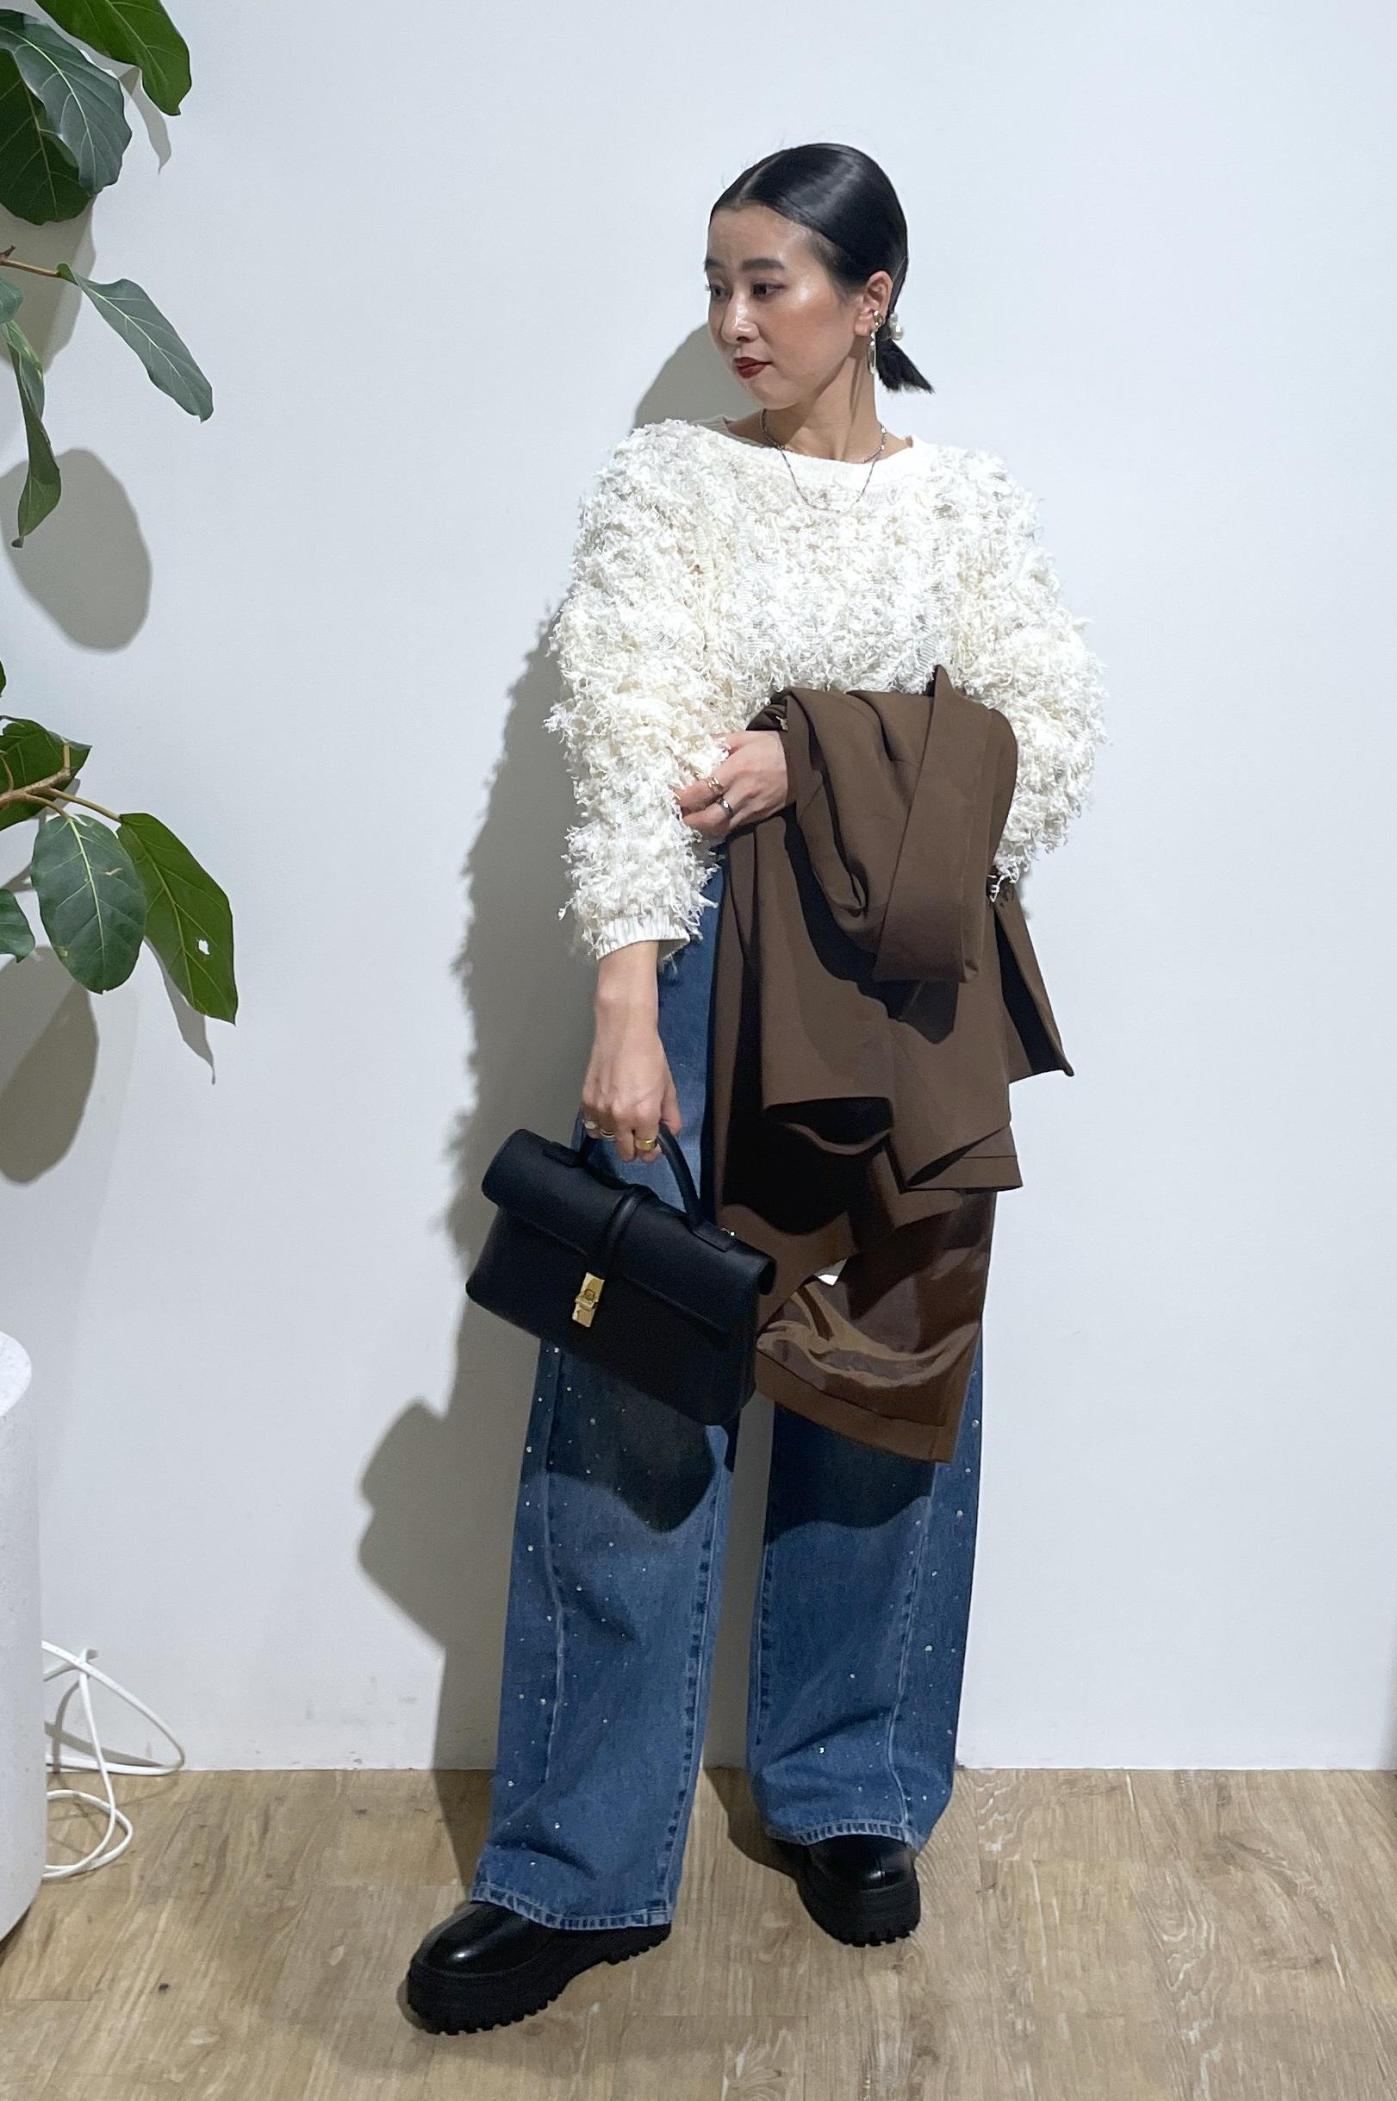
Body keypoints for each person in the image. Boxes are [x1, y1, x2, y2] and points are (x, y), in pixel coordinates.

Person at [405, 139, 1106, 2036]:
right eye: (713, 282)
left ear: (871, 301)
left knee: (883, 1381)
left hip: (907, 990)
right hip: (706, 970)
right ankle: (570, 1864)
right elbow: (631, 735)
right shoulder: (668, 482)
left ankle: (852, 1786)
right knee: (633, 1398)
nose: (729, 320)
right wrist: (625, 998)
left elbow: (1050, 739)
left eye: (767, 283)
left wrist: (810, 756)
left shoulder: (967, 503)